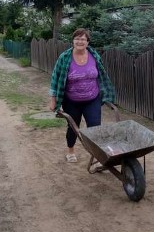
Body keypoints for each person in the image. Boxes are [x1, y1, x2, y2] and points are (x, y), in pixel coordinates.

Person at [49, 28, 116, 167]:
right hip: (72, 100)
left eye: (83, 39)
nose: (80, 41)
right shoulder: (65, 57)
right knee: (73, 128)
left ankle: (96, 157)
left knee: (95, 129)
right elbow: (55, 78)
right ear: (73, 41)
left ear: (88, 42)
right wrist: (53, 99)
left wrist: (106, 94)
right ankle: (71, 151)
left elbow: (102, 75)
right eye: (77, 38)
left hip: (92, 99)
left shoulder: (94, 55)